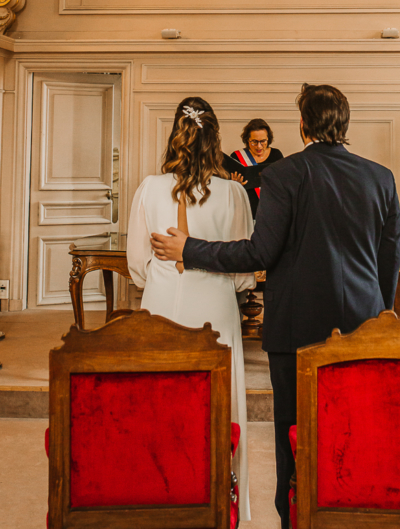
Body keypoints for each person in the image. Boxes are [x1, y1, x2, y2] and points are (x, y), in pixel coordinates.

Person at [151, 83, 400, 529]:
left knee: (292, 436)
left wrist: (190, 249)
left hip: (294, 329)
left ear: (303, 125)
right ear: (344, 124)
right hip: (361, 326)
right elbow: (389, 261)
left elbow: (259, 253)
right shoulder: (380, 177)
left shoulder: (284, 175)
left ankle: (293, 520)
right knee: (352, 431)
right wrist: (378, 321)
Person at [126, 96, 255, 521]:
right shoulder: (234, 193)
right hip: (216, 305)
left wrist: (164, 275)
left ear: (175, 137)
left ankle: (158, 497)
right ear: (214, 140)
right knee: (219, 407)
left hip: (160, 302)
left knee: (159, 404)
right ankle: (222, 501)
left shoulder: (149, 187)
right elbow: (243, 271)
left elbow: (136, 265)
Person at [229, 118, 284, 217]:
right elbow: (228, 191)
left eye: (263, 141)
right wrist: (234, 184)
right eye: (254, 142)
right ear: (247, 140)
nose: (259, 146)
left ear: (268, 139)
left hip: (271, 210)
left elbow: (283, 184)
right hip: (245, 211)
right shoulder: (236, 157)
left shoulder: (276, 155)